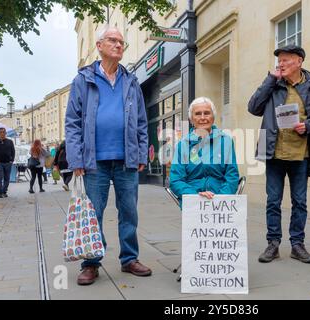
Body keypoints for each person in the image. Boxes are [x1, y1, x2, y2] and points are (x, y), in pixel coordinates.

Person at [65, 25, 151, 286]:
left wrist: (141, 154)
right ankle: (91, 263)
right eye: (112, 40)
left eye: (121, 42)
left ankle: (129, 259)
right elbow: (72, 122)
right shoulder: (83, 80)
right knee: (94, 212)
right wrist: (76, 158)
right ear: (100, 46)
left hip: (126, 158)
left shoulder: (131, 81)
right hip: (93, 161)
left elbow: (141, 121)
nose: (118, 45)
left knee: (129, 211)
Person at [248, 44, 310, 264]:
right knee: (273, 201)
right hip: (274, 154)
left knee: (300, 202)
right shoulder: (273, 86)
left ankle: (297, 245)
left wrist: (307, 126)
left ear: (299, 61)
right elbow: (253, 107)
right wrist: (270, 80)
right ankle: (273, 244)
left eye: (286, 59)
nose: (281, 63)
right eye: (279, 60)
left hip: (302, 156)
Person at [169, 97, 239, 204]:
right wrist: (195, 196)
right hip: (193, 201)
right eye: (197, 114)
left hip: (221, 202)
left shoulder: (226, 141)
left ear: (213, 117)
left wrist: (219, 198)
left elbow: (232, 176)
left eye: (207, 113)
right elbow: (176, 180)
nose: (202, 117)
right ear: (191, 119)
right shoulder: (183, 145)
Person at [0, 127, 15, 198]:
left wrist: (11, 160)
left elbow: (13, 151)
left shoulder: (10, 141)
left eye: (3, 132)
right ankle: (0, 192)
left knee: (7, 178)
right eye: (0, 132)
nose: (2, 133)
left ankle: (4, 191)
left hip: (8, 163)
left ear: (6, 133)